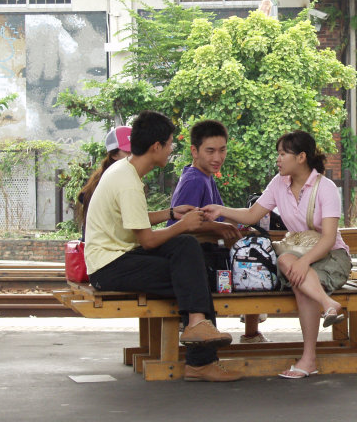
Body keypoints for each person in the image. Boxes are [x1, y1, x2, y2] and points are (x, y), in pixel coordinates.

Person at [84, 110, 242, 382]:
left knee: (185, 249)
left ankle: (196, 325)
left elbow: (134, 221)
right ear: (156, 147)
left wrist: (171, 214)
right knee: (195, 274)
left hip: (118, 256)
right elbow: (147, 240)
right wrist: (185, 224)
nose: (171, 151)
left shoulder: (125, 172)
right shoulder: (129, 183)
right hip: (109, 266)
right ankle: (201, 358)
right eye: (170, 144)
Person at [204, 130, 351, 379]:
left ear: (302, 157)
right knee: (285, 260)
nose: (278, 159)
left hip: (331, 255)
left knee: (298, 279)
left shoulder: (325, 188)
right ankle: (328, 305)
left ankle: (308, 359)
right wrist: (221, 210)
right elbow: (252, 215)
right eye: (278, 154)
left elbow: (328, 238)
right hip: (296, 254)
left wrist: (305, 262)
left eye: (283, 154)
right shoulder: (278, 183)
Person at [167, 119, 268, 343]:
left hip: (208, 254)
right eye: (210, 151)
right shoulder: (194, 180)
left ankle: (251, 333)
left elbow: (211, 216)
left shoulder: (205, 177)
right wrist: (220, 227)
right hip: (197, 260)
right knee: (255, 262)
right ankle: (251, 334)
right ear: (194, 151)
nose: (217, 157)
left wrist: (237, 224)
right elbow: (182, 228)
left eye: (222, 150)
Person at [76, 125, 132, 238]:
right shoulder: (114, 181)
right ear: (114, 155)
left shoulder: (118, 176)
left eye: (137, 151)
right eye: (128, 152)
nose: (133, 156)